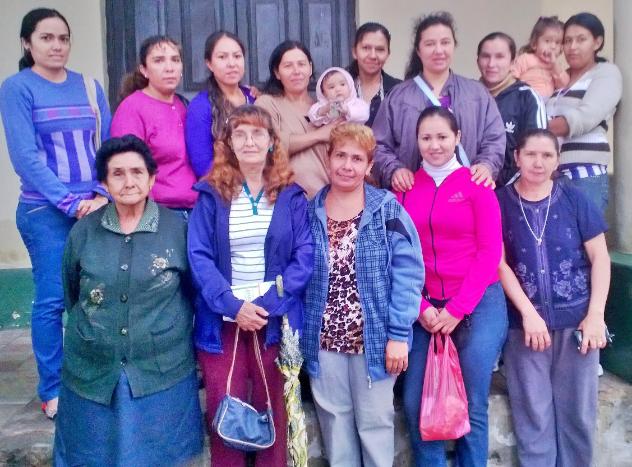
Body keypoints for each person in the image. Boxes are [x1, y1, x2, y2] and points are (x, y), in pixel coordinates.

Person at [54, 135, 203, 466]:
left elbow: (194, 294)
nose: (129, 182)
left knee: (161, 456)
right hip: (92, 368)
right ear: (105, 183)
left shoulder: (177, 229)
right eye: (117, 174)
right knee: (93, 455)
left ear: (151, 179)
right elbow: (72, 294)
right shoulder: (84, 232)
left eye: (137, 172)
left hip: (162, 368)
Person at [0, 8, 111, 419]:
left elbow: (108, 145)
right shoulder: (18, 88)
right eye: (46, 38)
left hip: (94, 207)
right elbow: (25, 157)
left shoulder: (89, 86)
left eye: (63, 38)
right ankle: (53, 388)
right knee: (52, 299)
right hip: (45, 212)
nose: (56, 46)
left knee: (94, 298)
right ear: (27, 43)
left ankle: (92, 380)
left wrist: (101, 193)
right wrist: (69, 202)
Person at [187, 105, 313, 467]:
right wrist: (232, 305)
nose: (249, 141)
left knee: (273, 407)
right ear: (228, 143)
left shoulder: (290, 194)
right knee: (224, 408)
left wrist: (266, 303)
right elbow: (198, 255)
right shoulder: (211, 193)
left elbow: (304, 255)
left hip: (272, 318)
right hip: (222, 320)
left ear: (272, 141)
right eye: (239, 134)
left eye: (258, 133)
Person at [302, 123, 424, 467]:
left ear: (369, 165)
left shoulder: (387, 209)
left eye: (357, 158)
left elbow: (409, 273)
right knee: (335, 426)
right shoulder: (310, 210)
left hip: (375, 339)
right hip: (324, 340)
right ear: (328, 158)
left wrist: (398, 335)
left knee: (374, 425)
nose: (347, 165)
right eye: (340, 155)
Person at [399, 107, 507, 467]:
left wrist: (458, 309)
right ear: (417, 141)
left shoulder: (477, 185)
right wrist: (421, 308)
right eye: (426, 138)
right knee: (415, 402)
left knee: (471, 401)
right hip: (425, 308)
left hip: (478, 303)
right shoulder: (405, 189)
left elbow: (490, 252)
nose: (435, 145)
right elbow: (396, 256)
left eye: (442, 137)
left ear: (457, 138)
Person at [497, 129, 610, 466]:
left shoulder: (575, 199)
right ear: (517, 157)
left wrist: (596, 315)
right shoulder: (500, 202)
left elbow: (600, 258)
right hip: (524, 327)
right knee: (533, 415)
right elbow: (499, 264)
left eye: (547, 155)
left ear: (557, 160)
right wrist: (528, 314)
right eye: (531, 154)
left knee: (578, 414)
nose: (538, 162)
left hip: (577, 324)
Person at [372, 11, 505, 192]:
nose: (439, 50)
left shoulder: (477, 94)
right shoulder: (398, 97)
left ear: (454, 45)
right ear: (418, 50)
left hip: (466, 194)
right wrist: (394, 170)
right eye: (430, 44)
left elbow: (495, 138)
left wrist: (487, 165)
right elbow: (378, 144)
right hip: (412, 194)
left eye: (445, 42)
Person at [111, 35, 197, 214]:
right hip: (158, 212)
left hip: (196, 209)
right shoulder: (132, 108)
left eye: (175, 60)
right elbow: (127, 167)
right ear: (144, 69)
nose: (169, 68)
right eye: (159, 60)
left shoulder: (185, 105)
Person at [546, 12, 622, 214]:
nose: (572, 47)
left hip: (585, 176)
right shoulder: (557, 78)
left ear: (597, 42)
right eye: (567, 41)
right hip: (549, 176)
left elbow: (585, 117)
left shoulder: (605, 73)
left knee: (584, 232)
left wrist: (537, 130)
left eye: (581, 40)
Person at [256, 40, 338, 198]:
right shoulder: (267, 103)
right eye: (288, 66)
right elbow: (270, 145)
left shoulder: (323, 108)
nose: (296, 71)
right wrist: (318, 135)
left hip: (327, 200)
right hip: (287, 200)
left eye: (301, 64)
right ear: (277, 73)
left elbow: (341, 135)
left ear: (310, 68)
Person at [477, 32, 547, 186]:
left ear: (513, 62)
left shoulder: (527, 98)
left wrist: (507, 191)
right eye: (486, 56)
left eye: (499, 57)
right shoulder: (468, 96)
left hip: (512, 192)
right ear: (477, 61)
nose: (491, 64)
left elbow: (537, 150)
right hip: (470, 191)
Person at [185, 30, 255, 179]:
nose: (231, 64)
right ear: (209, 64)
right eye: (222, 57)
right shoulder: (201, 107)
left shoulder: (254, 98)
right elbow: (203, 165)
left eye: (237, 56)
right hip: (223, 186)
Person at [348, 22, 401, 127]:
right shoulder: (338, 86)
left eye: (380, 49)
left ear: (388, 54)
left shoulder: (398, 90)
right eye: (366, 48)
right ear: (354, 52)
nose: (373, 55)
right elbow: (331, 119)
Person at [511, 16, 569, 99]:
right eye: (547, 41)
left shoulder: (556, 66)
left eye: (557, 43)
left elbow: (563, 85)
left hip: (546, 102)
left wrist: (555, 65)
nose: (553, 46)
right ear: (534, 44)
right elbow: (512, 77)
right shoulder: (526, 59)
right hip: (525, 98)